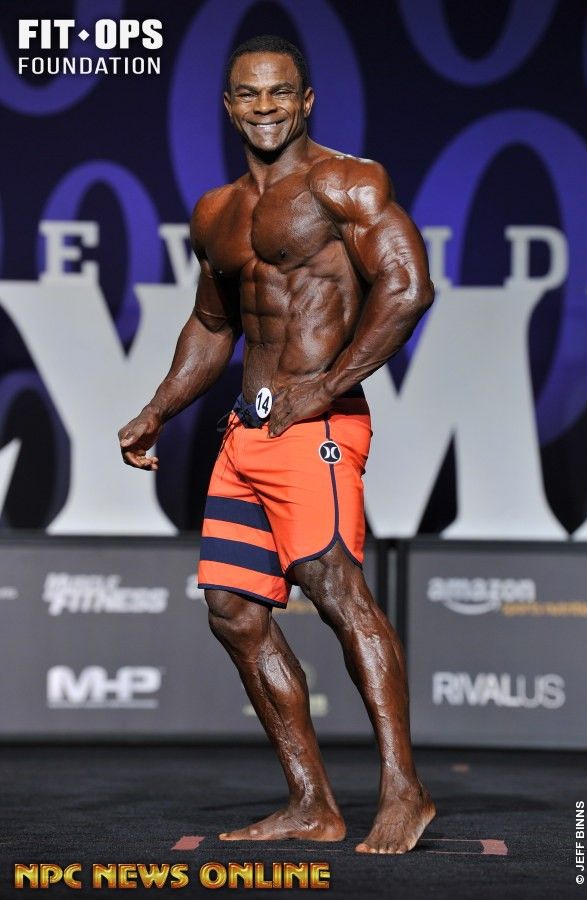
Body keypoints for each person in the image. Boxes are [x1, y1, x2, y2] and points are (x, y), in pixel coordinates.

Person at [118, 34, 435, 854]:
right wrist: (158, 407)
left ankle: (405, 792)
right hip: (247, 430)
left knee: (337, 591)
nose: (266, 107)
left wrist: (327, 385)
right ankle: (311, 803)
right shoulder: (216, 213)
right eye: (250, 94)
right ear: (230, 106)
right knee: (232, 610)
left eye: (280, 92)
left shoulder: (345, 182)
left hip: (317, 427)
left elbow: (407, 287)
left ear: (306, 100)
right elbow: (213, 324)